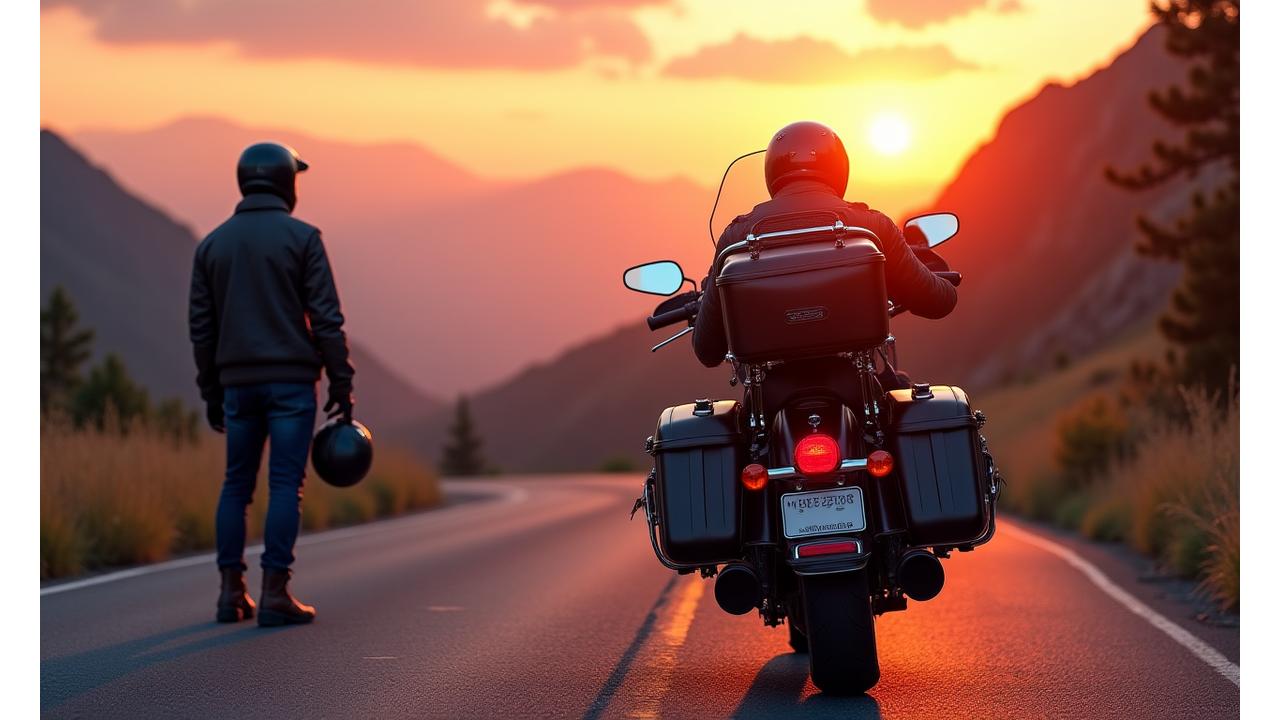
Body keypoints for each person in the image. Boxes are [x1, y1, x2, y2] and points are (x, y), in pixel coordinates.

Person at [189, 142, 355, 627]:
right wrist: (342, 381)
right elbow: (326, 319)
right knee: (285, 484)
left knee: (236, 485)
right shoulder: (303, 238)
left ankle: (230, 592)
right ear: (285, 183)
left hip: (237, 387)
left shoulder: (212, 245)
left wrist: (211, 391)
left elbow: (201, 330)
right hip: (291, 385)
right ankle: (275, 592)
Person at [692, 121, 957, 412]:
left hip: (769, 404)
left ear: (772, 172)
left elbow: (707, 349)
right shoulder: (871, 225)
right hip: (860, 394)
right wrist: (928, 277)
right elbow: (939, 302)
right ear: (839, 168)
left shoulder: (736, 237)